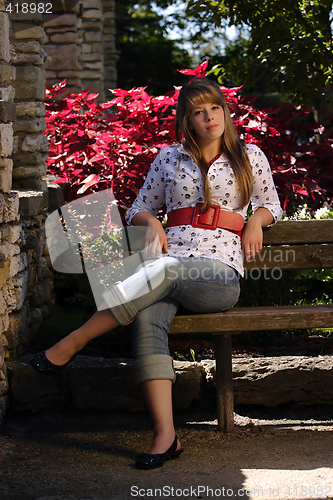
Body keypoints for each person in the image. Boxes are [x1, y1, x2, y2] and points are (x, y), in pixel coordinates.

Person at [31, 77, 283, 469]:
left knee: (163, 268)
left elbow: (272, 204)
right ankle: (166, 436)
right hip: (165, 270)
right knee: (147, 318)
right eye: (199, 111)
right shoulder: (169, 157)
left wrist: (256, 221)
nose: (209, 116)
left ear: (225, 112)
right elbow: (138, 207)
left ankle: (74, 341)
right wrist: (152, 221)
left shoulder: (250, 155)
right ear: (188, 120)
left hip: (218, 276)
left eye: (214, 108)